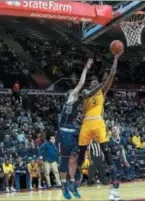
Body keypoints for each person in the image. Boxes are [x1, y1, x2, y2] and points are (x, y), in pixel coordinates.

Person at [77, 52, 123, 194]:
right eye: (93, 82)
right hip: (86, 124)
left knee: (106, 150)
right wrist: (101, 84)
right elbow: (87, 94)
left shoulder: (102, 92)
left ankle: (114, 178)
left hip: (98, 122)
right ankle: (77, 177)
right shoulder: (86, 92)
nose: (94, 83)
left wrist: (115, 59)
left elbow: (112, 74)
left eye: (96, 82)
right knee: (81, 153)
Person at [56, 58, 93, 199]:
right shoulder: (70, 98)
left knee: (73, 160)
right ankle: (64, 185)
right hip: (64, 134)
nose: (76, 92)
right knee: (65, 161)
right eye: (74, 91)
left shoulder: (77, 107)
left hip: (73, 134)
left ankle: (72, 183)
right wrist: (86, 68)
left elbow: (80, 120)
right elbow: (81, 84)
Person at [108, 126, 130, 200]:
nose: (115, 130)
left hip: (118, 160)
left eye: (116, 129)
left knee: (118, 176)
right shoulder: (109, 140)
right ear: (111, 131)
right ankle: (112, 193)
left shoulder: (122, 139)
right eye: (113, 129)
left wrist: (125, 160)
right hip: (111, 160)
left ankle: (113, 192)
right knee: (114, 175)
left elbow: (122, 150)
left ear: (119, 131)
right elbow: (105, 152)